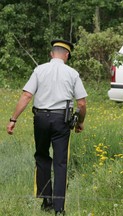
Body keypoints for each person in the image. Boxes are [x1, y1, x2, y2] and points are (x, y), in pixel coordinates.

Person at [6, 39, 88, 215]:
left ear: (52, 54)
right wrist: (80, 122)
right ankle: (59, 209)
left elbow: (27, 95)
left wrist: (13, 119)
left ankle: (46, 201)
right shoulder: (72, 73)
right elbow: (81, 103)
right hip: (61, 120)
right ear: (66, 55)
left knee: (42, 157)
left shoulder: (39, 70)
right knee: (60, 163)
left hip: (41, 119)